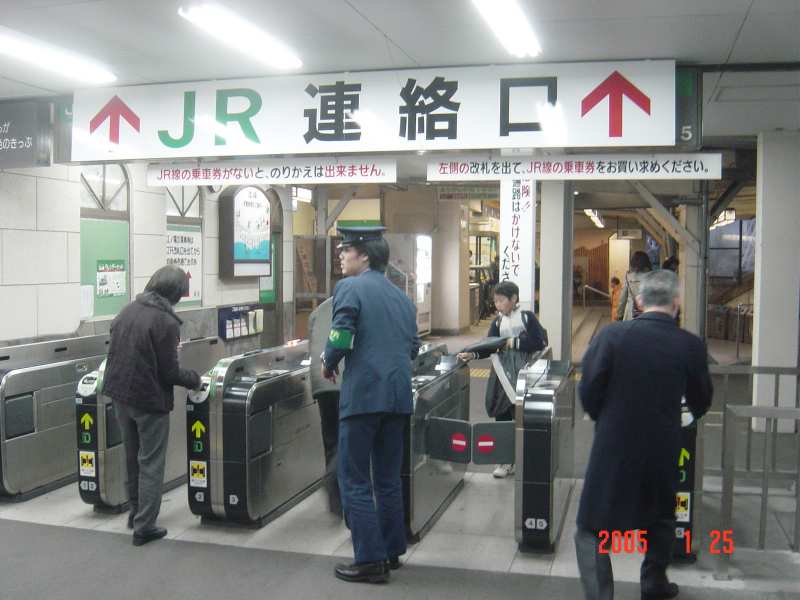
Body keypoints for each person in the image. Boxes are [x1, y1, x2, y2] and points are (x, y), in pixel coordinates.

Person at [575, 270, 712, 600]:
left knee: (591, 526)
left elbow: (589, 388)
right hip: (663, 446)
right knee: (661, 518)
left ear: (638, 301)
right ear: (676, 302)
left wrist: (605, 418)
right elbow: (702, 400)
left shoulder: (612, 336)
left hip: (613, 445)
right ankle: (653, 584)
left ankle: (600, 595)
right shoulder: (690, 345)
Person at [322, 225, 420, 584]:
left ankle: (369, 560)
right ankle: (392, 550)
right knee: (388, 478)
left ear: (364, 256)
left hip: (363, 396)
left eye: (346, 250)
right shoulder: (402, 298)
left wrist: (329, 360)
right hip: (397, 397)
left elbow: (341, 334)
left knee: (354, 479)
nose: (341, 255)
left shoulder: (350, 287)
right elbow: (413, 348)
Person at [102, 265, 201, 546]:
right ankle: (145, 526)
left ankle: (135, 514)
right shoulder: (165, 322)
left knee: (131, 456)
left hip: (120, 394)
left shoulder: (127, 310)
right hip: (148, 400)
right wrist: (195, 379)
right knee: (151, 462)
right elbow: (169, 372)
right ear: (175, 293)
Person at [457, 280, 546, 478]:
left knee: (522, 417)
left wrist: (511, 342)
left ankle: (526, 460)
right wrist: (472, 354)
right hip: (501, 375)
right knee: (502, 415)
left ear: (513, 299)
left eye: (501, 300)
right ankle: (504, 460)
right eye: (495, 301)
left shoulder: (527, 317)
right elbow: (489, 345)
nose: (497, 305)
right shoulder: (497, 322)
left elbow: (538, 341)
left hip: (523, 374)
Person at [308, 297, 343, 517]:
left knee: (331, 438)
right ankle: (335, 478)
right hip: (341, 379)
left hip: (320, 382)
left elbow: (312, 345)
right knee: (347, 437)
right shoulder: (355, 307)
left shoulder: (318, 311)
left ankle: (336, 501)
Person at [617, 250, 652, 321]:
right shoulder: (652, 276)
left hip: (630, 314)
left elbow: (623, 298)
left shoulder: (628, 276)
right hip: (647, 313)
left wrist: (620, 314)